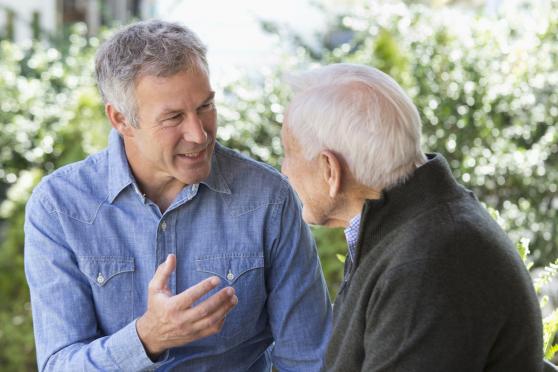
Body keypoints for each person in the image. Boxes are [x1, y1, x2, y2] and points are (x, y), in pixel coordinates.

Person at [24, 20, 332, 371]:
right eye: (173, 117)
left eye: (205, 107)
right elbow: (60, 365)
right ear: (121, 119)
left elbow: (310, 359)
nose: (199, 135)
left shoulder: (267, 198)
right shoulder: (60, 207)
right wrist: (147, 338)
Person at [280, 63, 543, 371]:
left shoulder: (428, 263)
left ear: (330, 169)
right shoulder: (408, 229)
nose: (284, 170)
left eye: (288, 152)